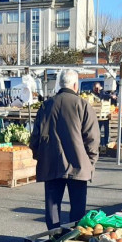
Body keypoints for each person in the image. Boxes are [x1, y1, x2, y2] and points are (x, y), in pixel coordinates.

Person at [29, 68, 99, 229]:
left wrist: (40, 156)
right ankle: (75, 241)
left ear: (59, 84)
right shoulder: (83, 105)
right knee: (78, 210)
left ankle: (53, 240)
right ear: (76, 85)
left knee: (52, 207)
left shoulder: (46, 106)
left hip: (51, 163)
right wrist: (90, 162)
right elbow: (92, 139)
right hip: (79, 165)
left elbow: (35, 137)